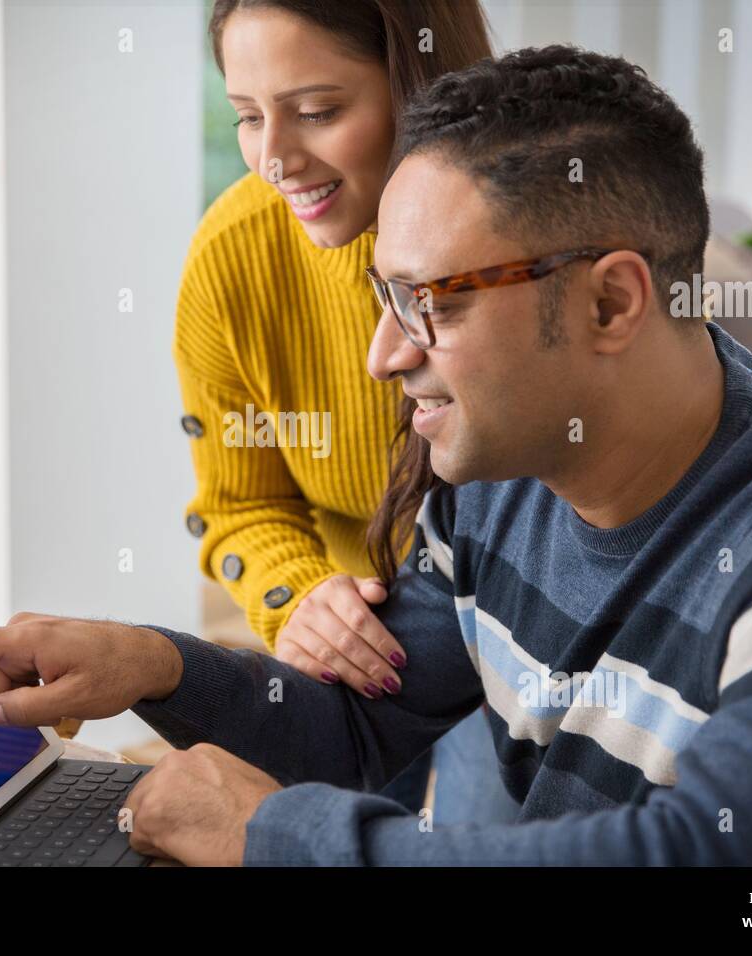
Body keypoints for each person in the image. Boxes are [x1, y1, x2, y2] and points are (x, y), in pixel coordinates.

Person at [0, 47, 752, 865]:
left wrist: (280, 838)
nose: (386, 355)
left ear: (611, 299)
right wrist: (154, 664)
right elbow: (358, 730)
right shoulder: (496, 485)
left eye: (434, 303)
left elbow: (715, 853)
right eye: (387, 295)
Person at [177, 0, 502, 817]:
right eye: (248, 118)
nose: (274, 160)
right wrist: (303, 601)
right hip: (363, 646)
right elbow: (239, 505)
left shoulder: (529, 232)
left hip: (516, 632)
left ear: (418, 83)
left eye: (317, 112)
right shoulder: (232, 258)